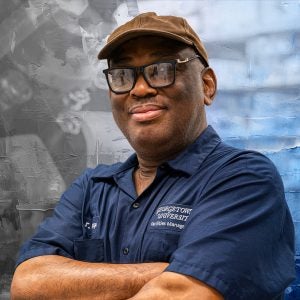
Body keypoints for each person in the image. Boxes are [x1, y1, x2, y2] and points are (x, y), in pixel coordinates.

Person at [11, 12, 295, 300]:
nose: (140, 88)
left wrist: (78, 281)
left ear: (207, 85)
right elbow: (28, 282)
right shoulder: (91, 188)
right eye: (122, 75)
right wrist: (170, 270)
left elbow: (184, 294)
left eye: (161, 69)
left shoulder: (243, 179)